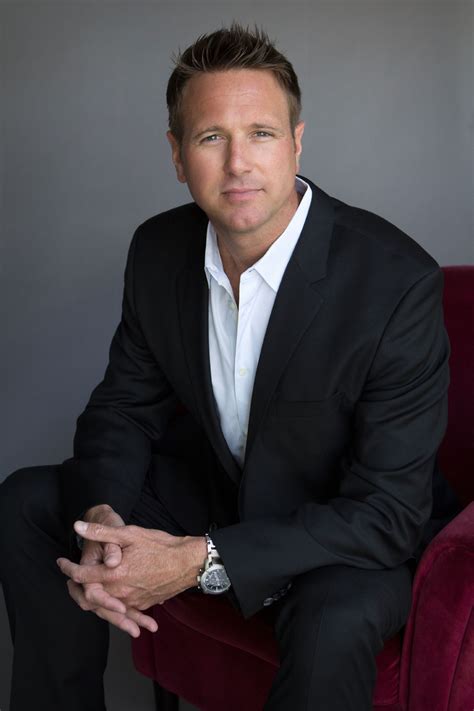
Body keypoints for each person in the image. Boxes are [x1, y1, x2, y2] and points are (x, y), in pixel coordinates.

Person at [0, 22, 460, 711]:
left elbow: (388, 512)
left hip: (344, 535)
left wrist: (197, 557)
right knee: (31, 503)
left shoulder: (395, 283)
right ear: (178, 156)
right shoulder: (158, 251)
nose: (238, 163)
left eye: (262, 134)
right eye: (212, 137)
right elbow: (123, 408)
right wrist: (104, 518)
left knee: (333, 618)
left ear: (298, 142)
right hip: (224, 491)